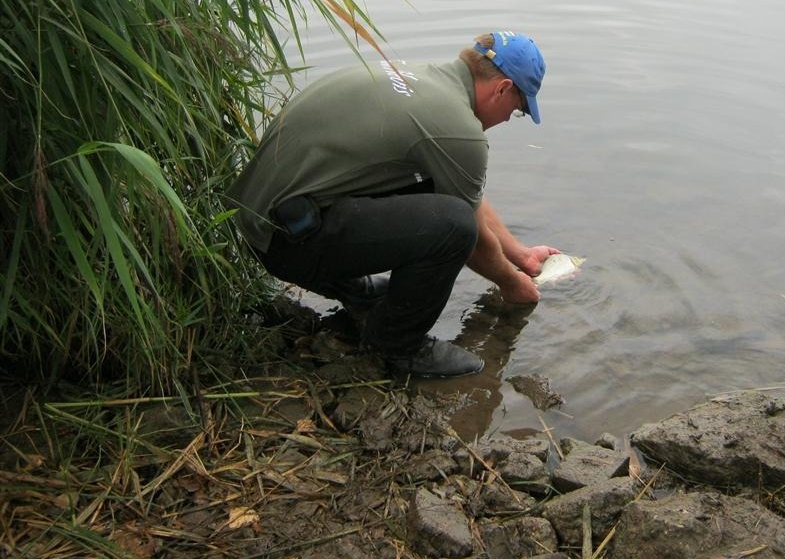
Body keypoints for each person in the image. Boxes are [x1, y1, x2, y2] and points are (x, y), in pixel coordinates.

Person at [228, 31, 559, 377]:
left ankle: (355, 290)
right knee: (456, 226)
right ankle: (397, 346)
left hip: (259, 224)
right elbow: (471, 228)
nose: (509, 119)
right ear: (503, 88)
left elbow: (467, 192)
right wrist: (510, 282)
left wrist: (519, 255)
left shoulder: (423, 78)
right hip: (284, 242)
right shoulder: (458, 129)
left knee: (437, 192)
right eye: (518, 110)